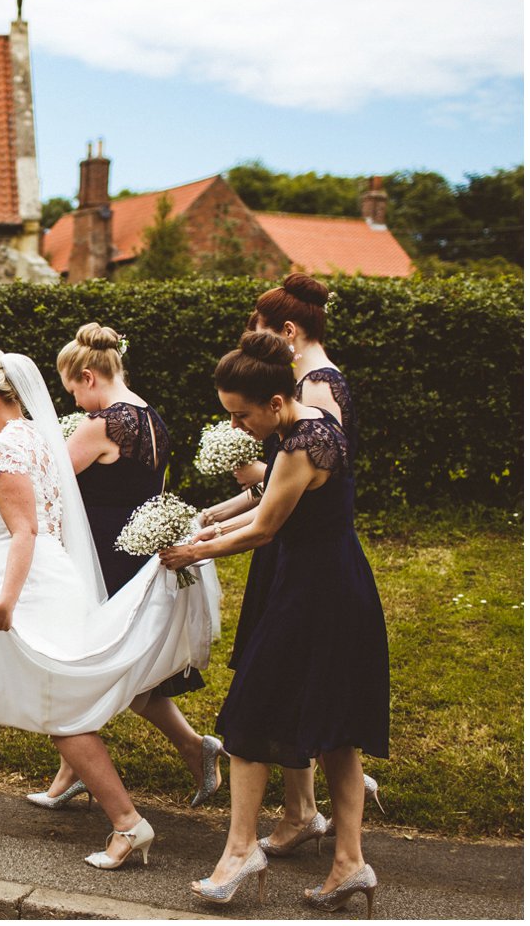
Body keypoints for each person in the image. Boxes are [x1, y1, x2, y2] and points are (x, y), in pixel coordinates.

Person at [0, 350, 218, 871]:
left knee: (60, 710)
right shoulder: (35, 436)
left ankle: (128, 824)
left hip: (25, 583)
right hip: (47, 574)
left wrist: (5, 600)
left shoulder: (5, 447)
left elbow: (24, 528)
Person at [161, 331, 387, 915]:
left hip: (314, 594)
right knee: (336, 730)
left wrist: (195, 552)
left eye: (241, 415)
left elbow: (265, 529)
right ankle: (349, 863)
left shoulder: (299, 445)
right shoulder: (309, 422)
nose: (237, 427)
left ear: (276, 404)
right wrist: (213, 529)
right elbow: (269, 509)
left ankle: (240, 853)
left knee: (247, 720)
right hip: (335, 584)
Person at [196, 274, 379, 853]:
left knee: (279, 707)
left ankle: (271, 836)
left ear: (289, 331)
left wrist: (201, 544)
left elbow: (286, 500)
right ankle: (326, 838)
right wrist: (221, 517)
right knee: (322, 717)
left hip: (308, 568)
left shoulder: (314, 403)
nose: (236, 427)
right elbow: (278, 495)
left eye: (261, 328)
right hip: (302, 560)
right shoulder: (293, 400)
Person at [26, 323, 221, 811]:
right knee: (122, 668)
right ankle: (78, 771)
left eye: (73, 391)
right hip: (135, 551)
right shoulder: (151, 418)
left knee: (94, 664)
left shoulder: (103, 424)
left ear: (89, 376)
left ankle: (192, 749)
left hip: (103, 557)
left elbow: (50, 483)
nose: (73, 404)